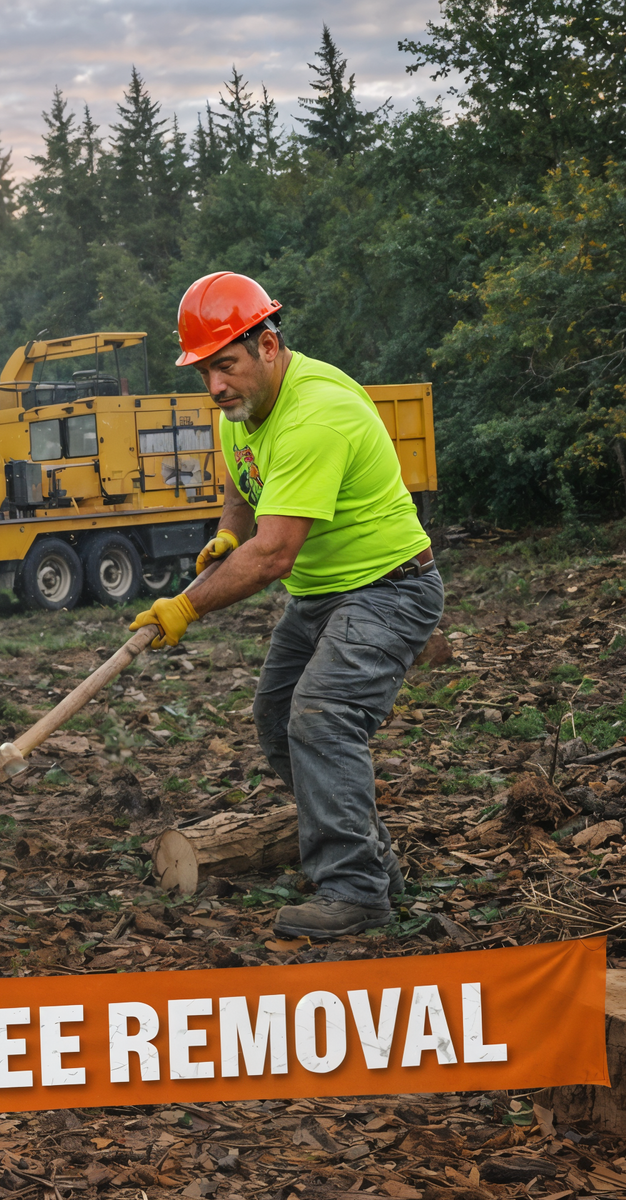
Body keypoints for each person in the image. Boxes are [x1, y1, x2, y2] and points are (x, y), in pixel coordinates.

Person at [128, 271, 441, 939]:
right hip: (322, 595)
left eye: (226, 365)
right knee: (277, 720)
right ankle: (374, 862)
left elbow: (274, 557)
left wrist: (185, 607)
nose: (216, 386)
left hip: (389, 586)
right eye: (205, 371)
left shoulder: (315, 413)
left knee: (322, 719)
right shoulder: (241, 407)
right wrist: (227, 532)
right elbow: (245, 481)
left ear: (268, 345)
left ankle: (355, 892)